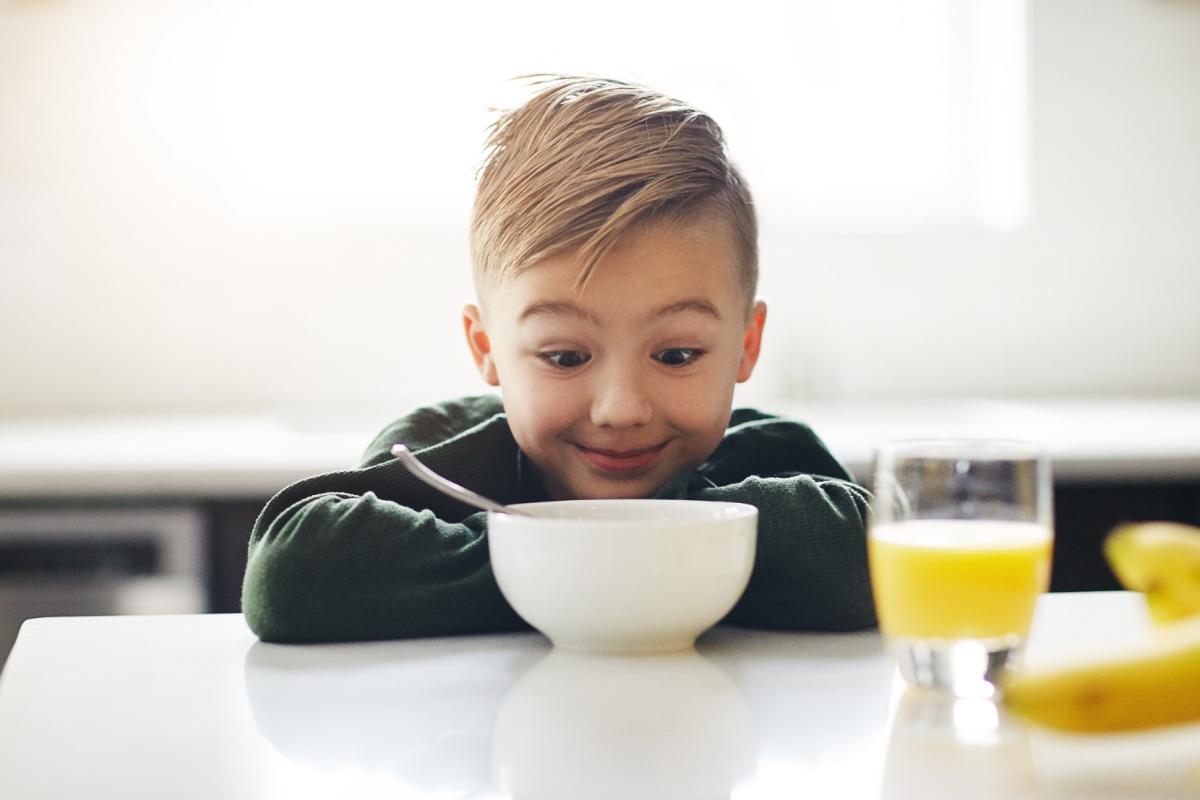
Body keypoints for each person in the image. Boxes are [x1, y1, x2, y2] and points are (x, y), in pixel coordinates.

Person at [241, 75, 875, 643]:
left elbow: (862, 560)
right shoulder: (442, 451)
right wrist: (651, 567)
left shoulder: (768, 451)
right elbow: (295, 572)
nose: (622, 408)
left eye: (677, 354)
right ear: (486, 349)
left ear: (747, 344)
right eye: (566, 356)